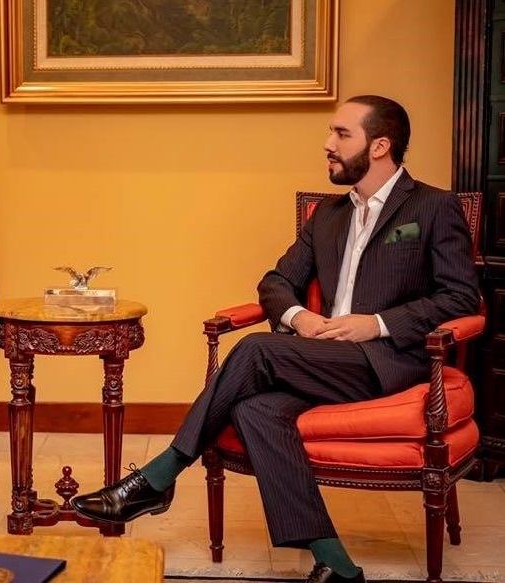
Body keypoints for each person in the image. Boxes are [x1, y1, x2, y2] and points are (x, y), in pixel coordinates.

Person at [70, 95, 479, 583]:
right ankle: (338, 564)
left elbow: (460, 297)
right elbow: (275, 282)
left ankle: (159, 476)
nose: (328, 144)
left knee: (256, 347)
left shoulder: (433, 207)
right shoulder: (328, 215)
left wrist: (376, 323)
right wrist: (300, 317)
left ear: (380, 146)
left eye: (341, 134)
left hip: (387, 359)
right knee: (254, 409)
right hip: (321, 354)